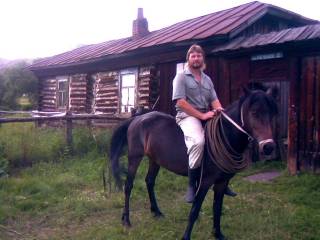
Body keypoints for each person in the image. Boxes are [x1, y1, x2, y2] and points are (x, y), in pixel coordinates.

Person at [172, 44, 236, 203]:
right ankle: (191, 185)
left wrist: (220, 111)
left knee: (224, 137)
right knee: (199, 142)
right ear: (188, 59)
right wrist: (201, 115)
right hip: (187, 115)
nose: (196, 58)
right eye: (193, 56)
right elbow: (180, 102)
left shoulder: (207, 79)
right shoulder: (181, 77)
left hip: (206, 114)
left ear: (202, 59)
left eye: (199, 56)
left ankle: (222, 180)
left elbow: (214, 101)